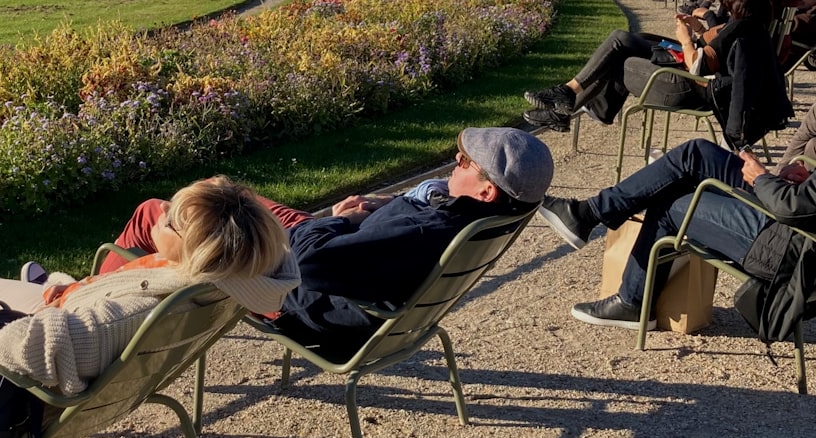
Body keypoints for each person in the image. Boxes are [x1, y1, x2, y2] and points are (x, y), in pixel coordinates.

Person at [0, 177, 299, 395]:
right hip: (69, 307)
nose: (160, 217)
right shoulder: (233, 277)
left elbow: (27, 350)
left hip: (27, 361)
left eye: (169, 219)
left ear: (195, 250)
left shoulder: (134, 311)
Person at [95, 128, 552, 349]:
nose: (456, 159)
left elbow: (309, 263)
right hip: (350, 267)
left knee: (158, 214)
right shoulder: (480, 220)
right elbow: (389, 238)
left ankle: (92, 307)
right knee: (221, 194)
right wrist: (379, 209)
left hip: (297, 289)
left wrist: (337, 219)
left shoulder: (420, 230)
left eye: (464, 162)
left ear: (487, 189)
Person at [537, 138, 816, 338]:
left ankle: (633, 303)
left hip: (788, 247)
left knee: (670, 202)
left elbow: (793, 208)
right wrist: (797, 181)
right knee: (696, 153)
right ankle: (587, 214)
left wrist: (762, 180)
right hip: (791, 222)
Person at [523, 0, 792, 145]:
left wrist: (686, 39)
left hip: (690, 86)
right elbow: (721, 49)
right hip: (697, 78)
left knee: (621, 57)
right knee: (622, 40)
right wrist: (704, 26)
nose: (721, 1)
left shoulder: (743, 28)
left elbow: (700, 66)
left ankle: (570, 106)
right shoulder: (753, 21)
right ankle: (569, 97)